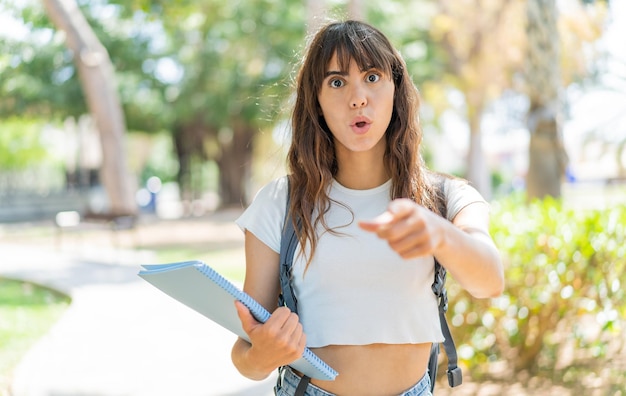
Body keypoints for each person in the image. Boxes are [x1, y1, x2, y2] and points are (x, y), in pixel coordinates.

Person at [231, 20, 504, 396]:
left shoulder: (445, 196)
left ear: (396, 89)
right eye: (337, 82)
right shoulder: (281, 202)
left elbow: (490, 281)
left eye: (373, 77)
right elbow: (244, 354)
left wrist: (440, 233)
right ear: (317, 101)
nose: (358, 97)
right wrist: (263, 355)